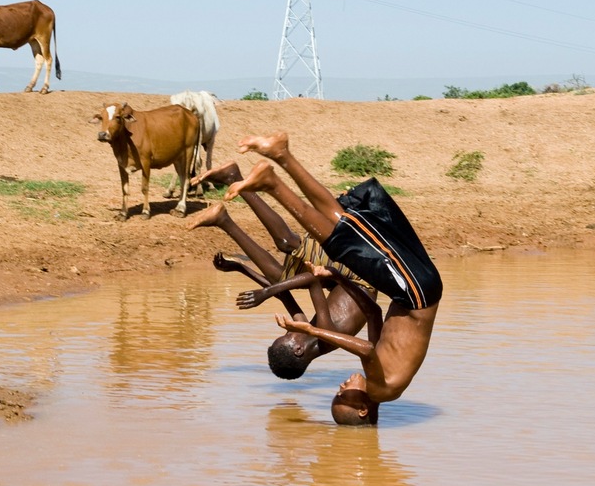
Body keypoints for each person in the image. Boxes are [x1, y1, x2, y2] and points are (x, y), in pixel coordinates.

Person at [224, 132, 443, 426]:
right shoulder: (381, 390)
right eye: (342, 397)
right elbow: (363, 347)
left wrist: (339, 275)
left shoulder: (380, 378)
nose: (339, 389)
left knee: (344, 222)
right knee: (341, 240)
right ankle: (274, 178)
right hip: (415, 293)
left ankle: (279, 160)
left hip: (413, 291)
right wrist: (310, 330)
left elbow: (374, 311)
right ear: (363, 409)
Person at [186, 161, 376, 380]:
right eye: (287, 335)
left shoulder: (309, 335)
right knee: (288, 243)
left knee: (279, 278)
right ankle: (234, 178)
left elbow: (281, 291)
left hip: (343, 279)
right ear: (298, 349)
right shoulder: (326, 334)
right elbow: (312, 280)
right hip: (362, 272)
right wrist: (265, 294)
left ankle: (223, 220)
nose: (288, 330)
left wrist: (241, 268)